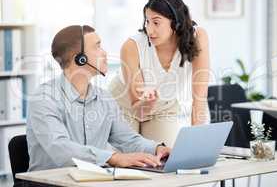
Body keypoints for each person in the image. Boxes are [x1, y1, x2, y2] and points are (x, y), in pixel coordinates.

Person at [26, 25, 170, 171]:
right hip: (47, 182)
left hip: (91, 179)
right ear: (80, 58)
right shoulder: (44, 98)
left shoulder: (104, 98)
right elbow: (60, 148)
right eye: (97, 47)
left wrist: (157, 148)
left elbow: (127, 139)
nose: (105, 53)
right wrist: (113, 158)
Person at [109, 0, 210, 147]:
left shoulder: (198, 37)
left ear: (176, 23)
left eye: (156, 23)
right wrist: (150, 101)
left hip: (163, 107)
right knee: (131, 157)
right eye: (147, 22)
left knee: (164, 158)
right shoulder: (132, 47)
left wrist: (196, 143)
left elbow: (199, 98)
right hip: (125, 106)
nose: (150, 30)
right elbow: (138, 110)